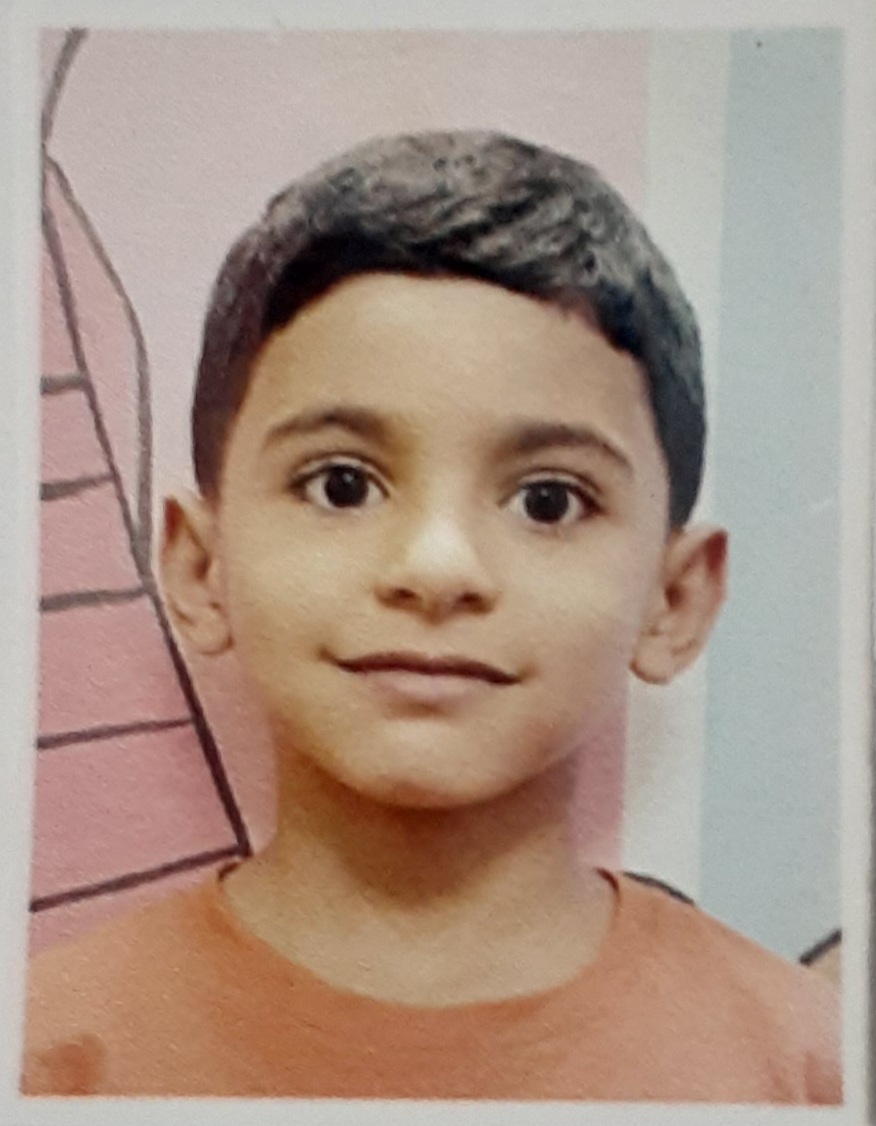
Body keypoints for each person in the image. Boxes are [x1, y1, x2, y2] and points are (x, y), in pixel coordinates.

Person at [21, 130, 840, 1102]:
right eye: (341, 484)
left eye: (548, 500)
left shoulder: (811, 1069)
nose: (436, 567)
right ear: (202, 567)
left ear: (674, 599)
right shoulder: (44, 1059)